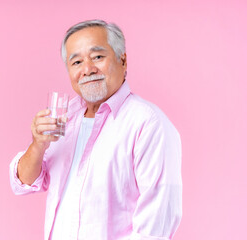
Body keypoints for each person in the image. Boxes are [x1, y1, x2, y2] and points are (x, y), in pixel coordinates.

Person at [10, 19, 182, 240]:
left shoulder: (148, 123)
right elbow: (23, 183)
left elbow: (156, 227)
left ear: (123, 60)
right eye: (77, 62)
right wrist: (37, 146)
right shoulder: (65, 117)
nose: (87, 70)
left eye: (98, 57)